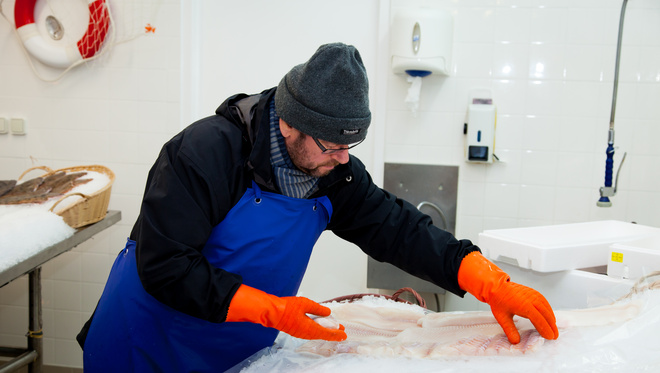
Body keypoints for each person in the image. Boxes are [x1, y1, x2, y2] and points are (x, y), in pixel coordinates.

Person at [77, 42, 558, 372]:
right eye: (331, 144)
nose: (344, 158)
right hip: (147, 343)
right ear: (290, 123)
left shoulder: (334, 173)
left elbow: (396, 228)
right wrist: (268, 310)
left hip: (236, 349)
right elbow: (165, 266)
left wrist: (481, 277)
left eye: (353, 145)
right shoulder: (206, 152)